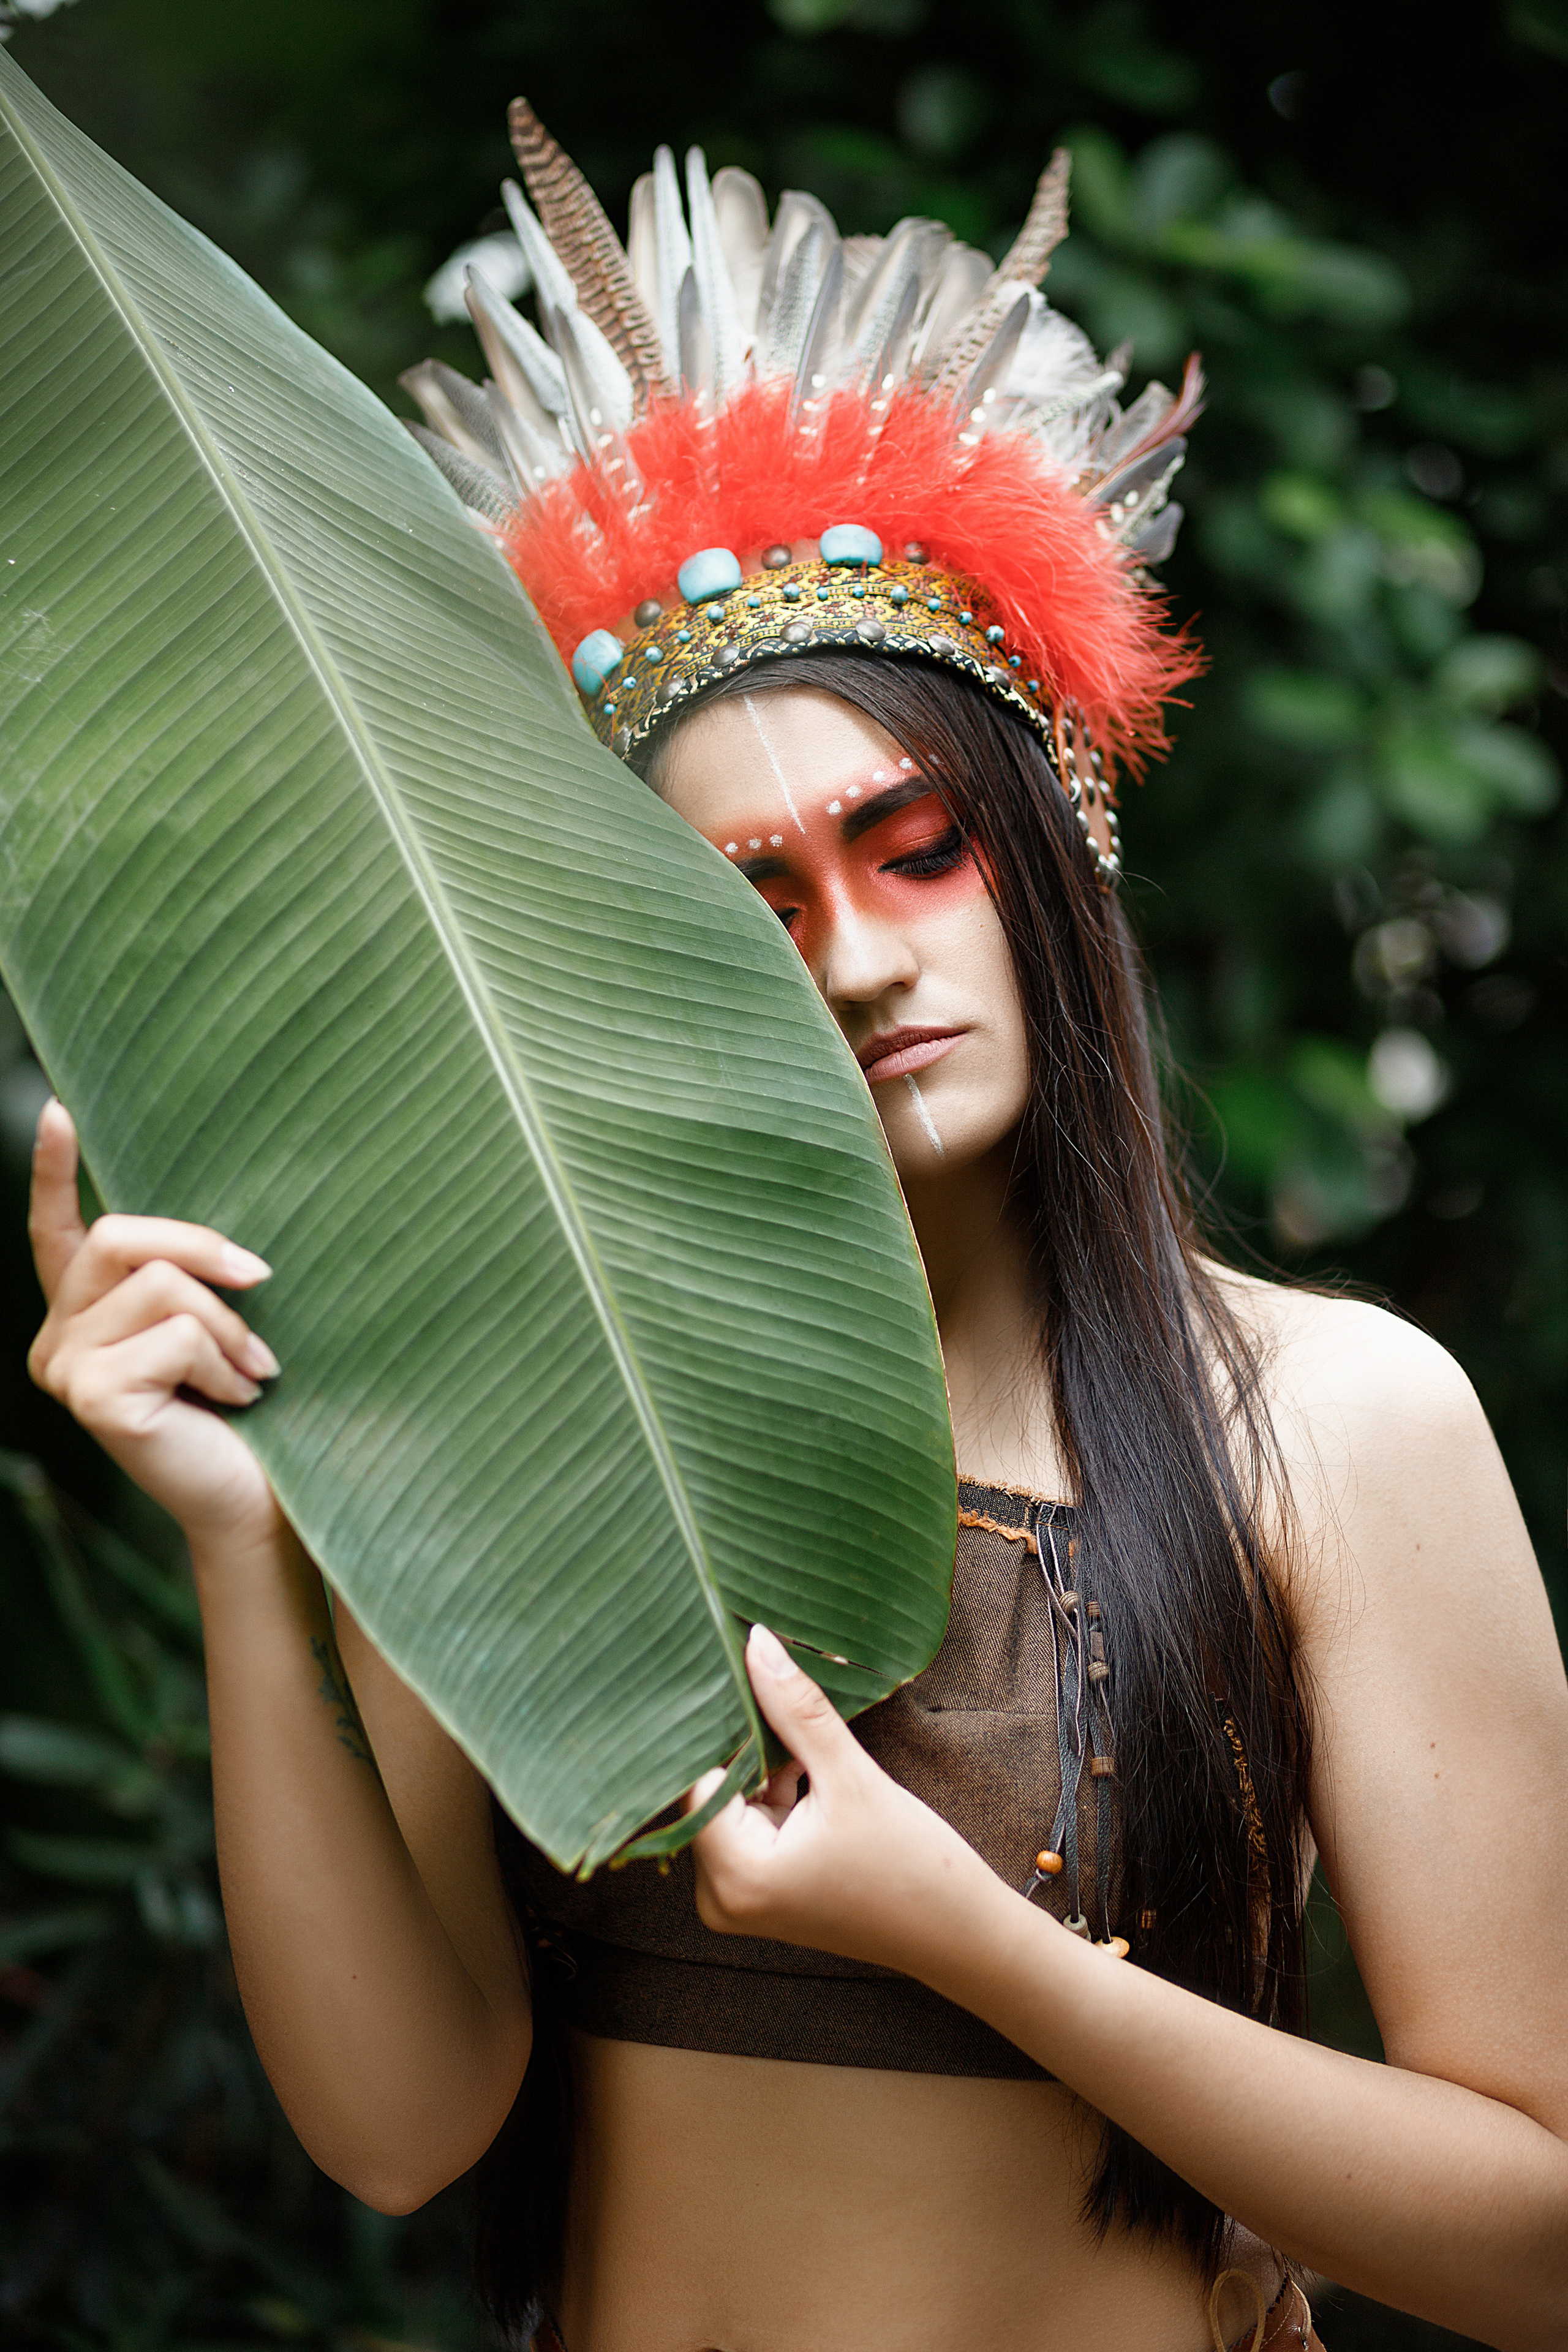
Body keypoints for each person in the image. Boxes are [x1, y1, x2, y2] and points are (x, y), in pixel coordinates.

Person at [24, 106, 1568, 2352]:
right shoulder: (509, 1406)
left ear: (1054, 862)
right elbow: (400, 2126)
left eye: (913, 844)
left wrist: (967, 1939)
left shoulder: (1332, 1423)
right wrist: (248, 1551)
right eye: (749, 901)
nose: (853, 956)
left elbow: (1537, 2239)